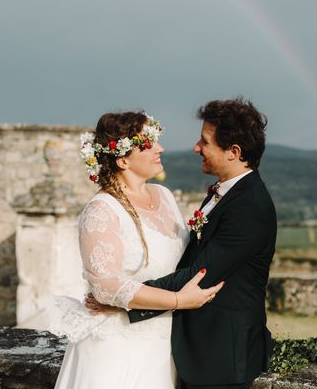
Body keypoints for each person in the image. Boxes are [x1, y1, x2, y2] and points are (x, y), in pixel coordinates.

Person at [90, 97, 277, 388]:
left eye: (205, 142)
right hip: (187, 349)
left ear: (233, 152)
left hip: (221, 355)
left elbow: (198, 275)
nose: (196, 148)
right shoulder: (225, 193)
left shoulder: (249, 206)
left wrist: (125, 299)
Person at [53, 111, 223, 389]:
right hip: (119, 345)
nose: (160, 148)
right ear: (123, 160)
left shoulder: (165, 196)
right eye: (149, 142)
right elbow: (106, 286)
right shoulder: (102, 209)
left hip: (164, 341)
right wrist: (179, 301)